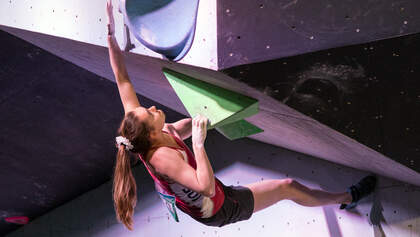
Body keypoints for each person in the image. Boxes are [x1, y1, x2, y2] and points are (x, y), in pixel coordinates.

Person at [105, 0, 377, 231]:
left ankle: (204, 125)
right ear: (151, 134)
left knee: (184, 126)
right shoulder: (163, 159)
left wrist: (110, 34)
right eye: (150, 114)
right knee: (287, 187)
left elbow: (123, 80)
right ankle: (347, 197)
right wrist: (198, 143)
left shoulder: (137, 127)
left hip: (203, 189)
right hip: (220, 206)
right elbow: (206, 187)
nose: (152, 109)